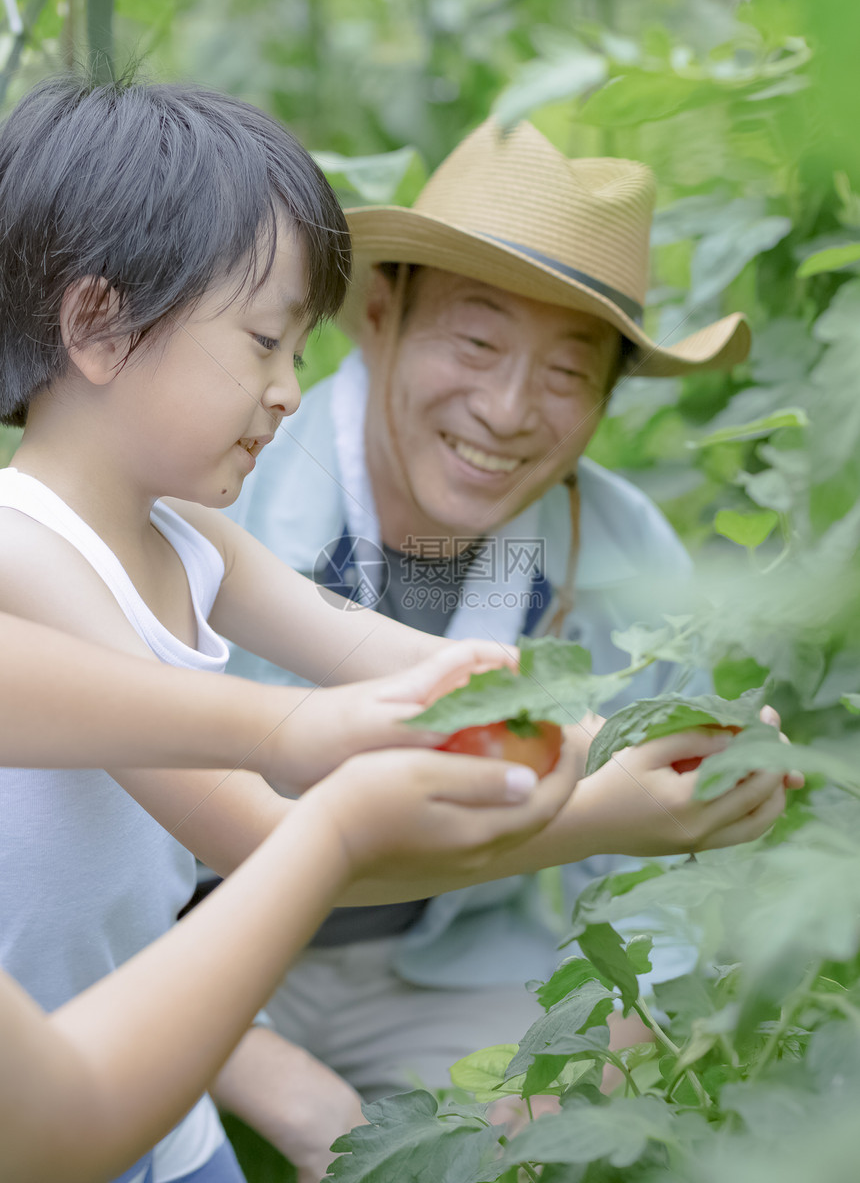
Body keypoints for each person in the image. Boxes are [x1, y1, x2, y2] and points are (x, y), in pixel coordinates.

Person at [0, 76, 786, 1183]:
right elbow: (264, 837)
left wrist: (623, 722)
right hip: (62, 1086)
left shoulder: (192, 538)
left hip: (160, 1118)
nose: (285, 391)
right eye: (265, 343)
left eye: (567, 373)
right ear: (96, 325)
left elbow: (390, 659)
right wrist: (602, 810)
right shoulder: (25, 552)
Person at [225, 115, 788, 1130]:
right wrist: (268, 1074)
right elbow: (100, 839)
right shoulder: (233, 477)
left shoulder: (621, 552)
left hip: (435, 970)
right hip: (196, 939)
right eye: (476, 341)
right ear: (379, 315)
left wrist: (577, 1085)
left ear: (608, 397)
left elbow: (654, 903)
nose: (509, 407)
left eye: (567, 373)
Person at [0, 611, 570, 1183]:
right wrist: (338, 831)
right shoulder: (41, 556)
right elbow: (55, 1133)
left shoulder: (195, 542)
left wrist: (307, 730)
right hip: (93, 1101)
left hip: (169, 1126)